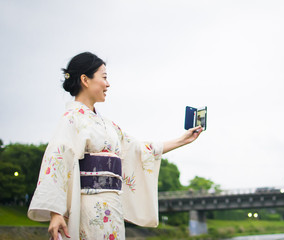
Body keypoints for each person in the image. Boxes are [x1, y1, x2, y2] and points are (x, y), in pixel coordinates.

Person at [27, 52, 203, 240]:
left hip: (113, 207)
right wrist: (56, 213)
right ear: (85, 80)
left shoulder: (109, 126)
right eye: (104, 77)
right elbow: (57, 159)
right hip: (90, 205)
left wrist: (181, 140)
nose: (108, 84)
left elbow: (139, 149)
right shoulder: (72, 119)